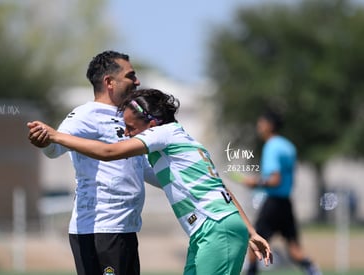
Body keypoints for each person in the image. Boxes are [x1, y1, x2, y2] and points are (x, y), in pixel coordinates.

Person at [28, 88, 273, 275]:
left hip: (215, 228)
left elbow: (109, 152)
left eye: (131, 127)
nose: (126, 133)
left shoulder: (163, 134)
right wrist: (251, 231)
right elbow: (221, 189)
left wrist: (56, 136)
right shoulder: (181, 140)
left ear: (152, 124)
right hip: (214, 228)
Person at [27, 51, 159, 275]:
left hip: (124, 228)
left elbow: (141, 167)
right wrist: (43, 141)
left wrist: (185, 180)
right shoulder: (85, 115)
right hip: (100, 230)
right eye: (130, 76)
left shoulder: (127, 117)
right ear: (109, 81)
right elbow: (55, 147)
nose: (137, 81)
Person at [240, 110, 321, 275]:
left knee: (255, 242)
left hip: (274, 203)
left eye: (261, 123)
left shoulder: (272, 146)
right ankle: (314, 271)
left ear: (270, 125)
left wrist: (254, 182)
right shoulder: (288, 146)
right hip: (285, 202)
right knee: (294, 249)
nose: (259, 126)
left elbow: (275, 180)